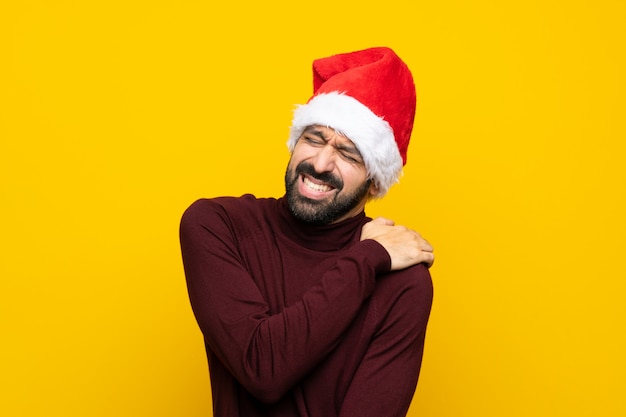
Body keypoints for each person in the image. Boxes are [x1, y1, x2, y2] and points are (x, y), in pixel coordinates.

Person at [179, 46, 435, 417]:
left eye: (348, 154)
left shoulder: (404, 282)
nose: (319, 163)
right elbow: (262, 369)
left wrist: (368, 260)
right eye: (313, 139)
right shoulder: (217, 226)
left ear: (375, 184)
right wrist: (363, 260)